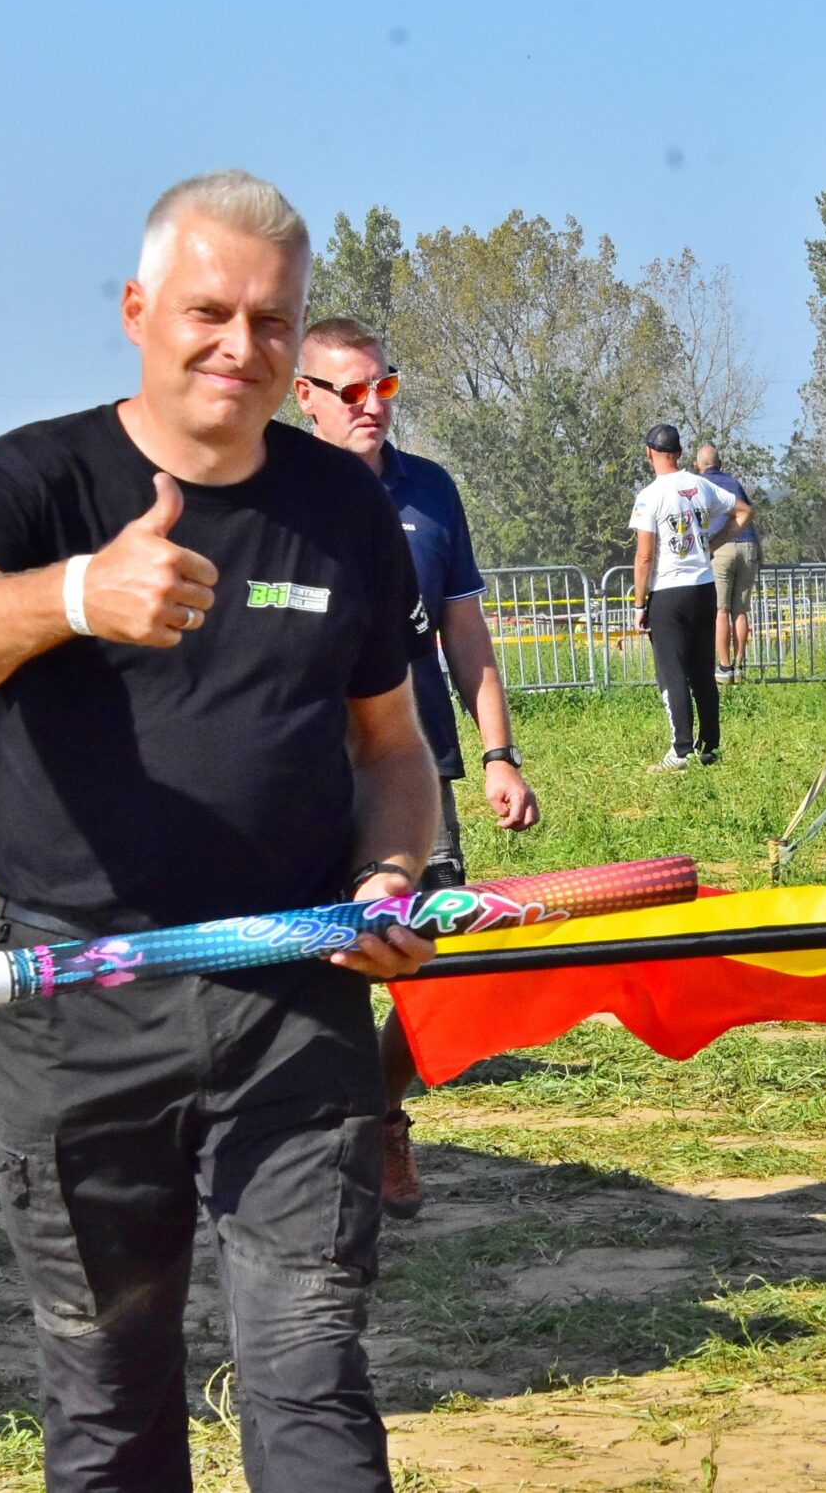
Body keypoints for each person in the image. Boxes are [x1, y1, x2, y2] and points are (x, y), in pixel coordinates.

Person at [0, 170, 441, 1493]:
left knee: (311, 1376)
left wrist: (389, 873)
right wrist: (77, 594)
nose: (241, 346)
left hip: (292, 992)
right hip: (76, 999)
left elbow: (392, 748)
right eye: (209, 312)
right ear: (137, 310)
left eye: (271, 321)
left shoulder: (344, 508)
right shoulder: (34, 480)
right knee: (109, 1396)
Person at [293, 313, 542, 1221]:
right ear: (305, 397)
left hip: (412, 764)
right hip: (303, 767)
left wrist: (499, 754)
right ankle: (311, 1141)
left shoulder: (430, 491)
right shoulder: (275, 489)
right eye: (351, 391)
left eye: (384, 386)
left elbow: (464, 631)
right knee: (314, 955)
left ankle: (383, 1113)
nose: (372, 406)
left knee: (431, 953)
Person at [629, 424, 747, 771]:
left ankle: (680, 751)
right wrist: (711, 544)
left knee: (672, 673)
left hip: (669, 592)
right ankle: (709, 746)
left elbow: (645, 557)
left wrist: (639, 605)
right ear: (679, 453)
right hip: (704, 588)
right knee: (702, 672)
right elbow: (743, 512)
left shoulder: (649, 495)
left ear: (649, 453)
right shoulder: (701, 485)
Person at [692, 444, 762, 683]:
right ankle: (740, 666)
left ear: (697, 466)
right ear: (721, 464)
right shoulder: (734, 483)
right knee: (740, 610)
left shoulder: (700, 485)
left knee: (721, 610)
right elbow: (747, 514)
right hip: (748, 546)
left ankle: (724, 667)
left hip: (721, 547)